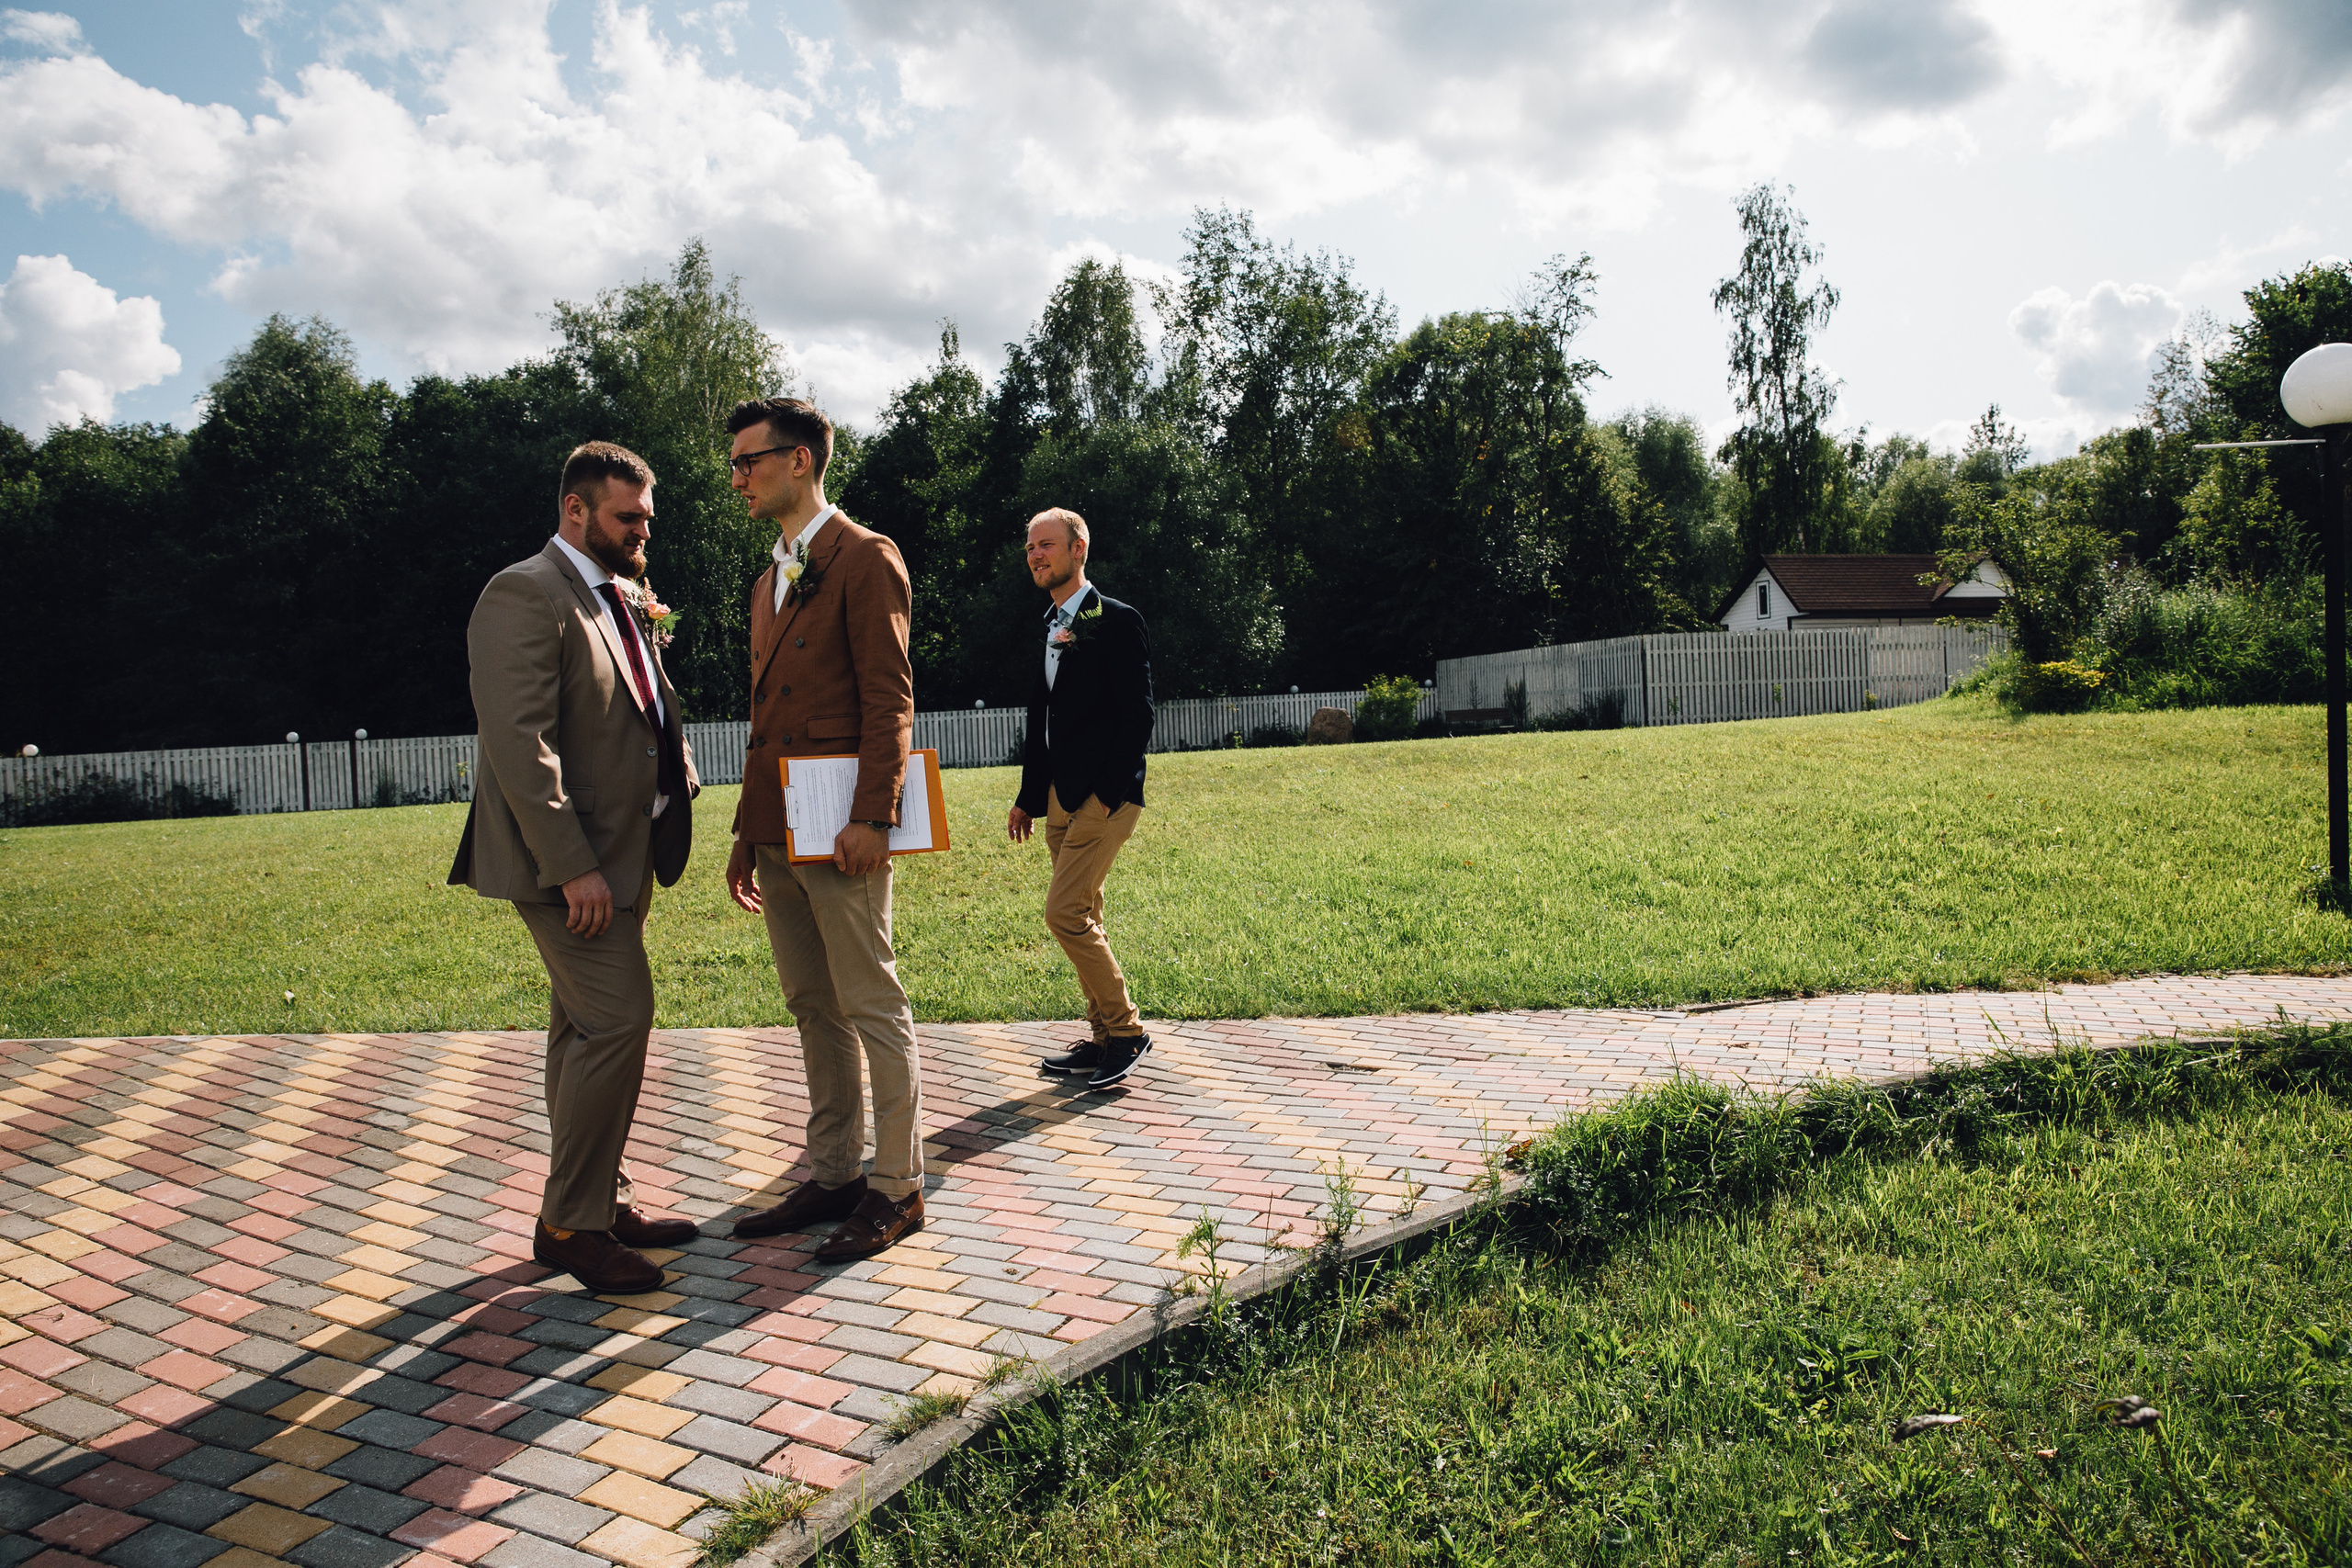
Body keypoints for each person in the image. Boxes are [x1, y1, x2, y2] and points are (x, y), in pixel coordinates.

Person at [448, 441, 700, 1294]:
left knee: (579, 1030)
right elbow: (520, 743)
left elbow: (634, 704)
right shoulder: (523, 592)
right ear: (576, 511)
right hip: (571, 866)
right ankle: (570, 1225)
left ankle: (601, 1196)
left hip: (624, 854)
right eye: (628, 518)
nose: (643, 533)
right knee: (619, 1020)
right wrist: (573, 869)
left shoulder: (614, 594)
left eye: (647, 519)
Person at [721, 397, 927, 1259]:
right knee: (812, 1004)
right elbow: (765, 715)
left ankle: (898, 1186)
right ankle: (836, 1170)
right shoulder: (770, 576)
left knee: (870, 1000)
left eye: (751, 461)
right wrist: (744, 830)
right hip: (779, 827)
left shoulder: (864, 555)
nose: (738, 477)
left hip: (843, 823)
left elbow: (891, 699)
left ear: (800, 460)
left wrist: (874, 815)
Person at [1008, 508, 1156, 1089]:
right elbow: (1041, 717)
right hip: (1058, 798)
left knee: (1063, 913)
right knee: (1085, 913)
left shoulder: (1115, 620)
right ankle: (1100, 1039)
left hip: (1104, 798)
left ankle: (1126, 1031)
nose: (1036, 556)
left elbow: (1138, 714)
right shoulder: (1048, 624)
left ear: (1079, 549)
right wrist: (1029, 796)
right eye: (1030, 549)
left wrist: (1105, 793)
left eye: (1046, 545)